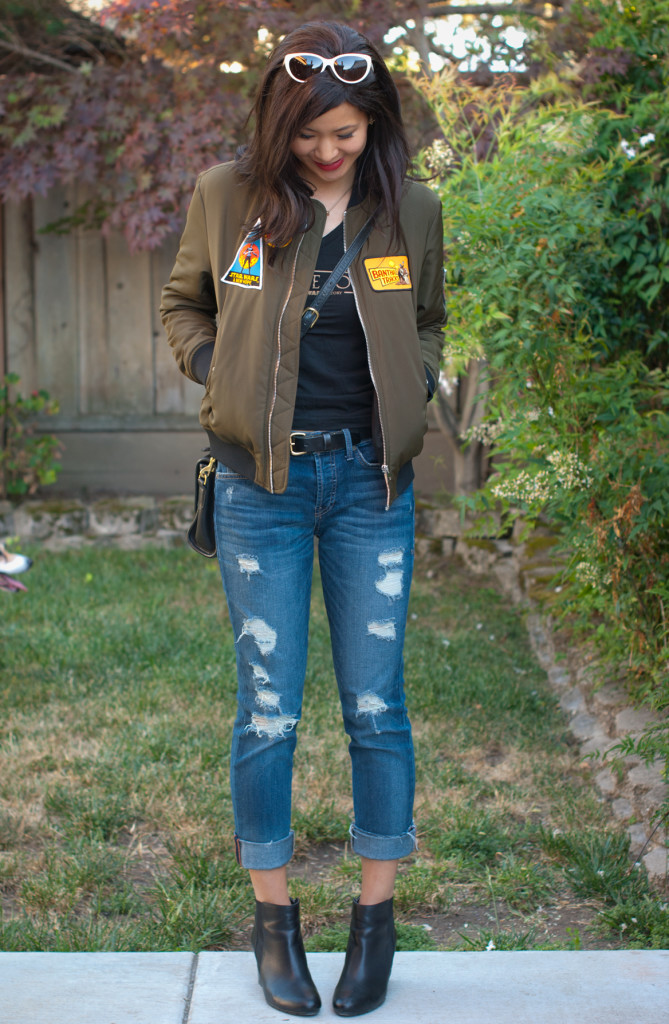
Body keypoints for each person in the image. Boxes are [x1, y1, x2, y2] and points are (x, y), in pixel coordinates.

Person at [161, 20, 445, 1018]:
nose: (329, 153)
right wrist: (217, 374)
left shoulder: (411, 207)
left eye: (348, 135)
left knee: (378, 709)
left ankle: (375, 920)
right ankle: (273, 922)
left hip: (372, 489)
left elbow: (429, 321)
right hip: (261, 491)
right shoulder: (226, 197)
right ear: (279, 122)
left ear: (375, 125)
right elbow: (182, 304)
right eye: (311, 134)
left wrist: (420, 387)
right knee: (268, 710)